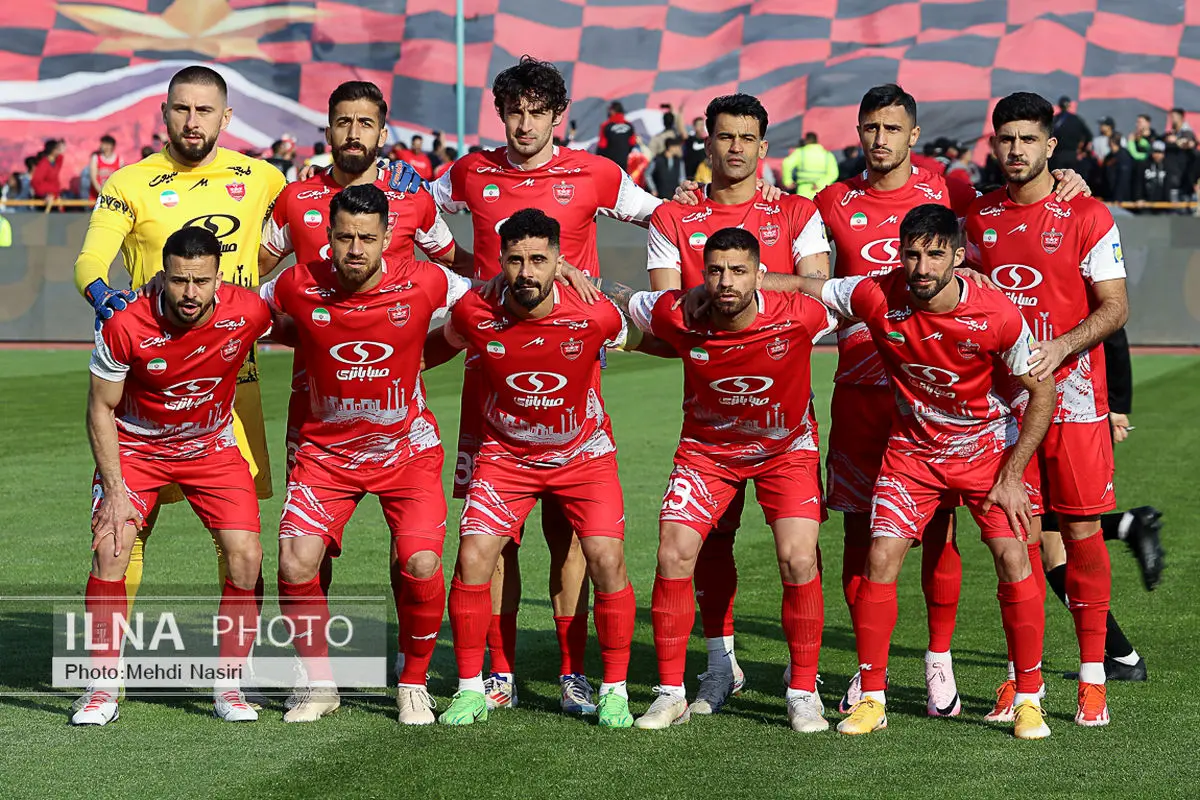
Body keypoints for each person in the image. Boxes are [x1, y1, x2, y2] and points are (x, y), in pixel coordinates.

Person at [757, 203, 1056, 739]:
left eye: (934, 255)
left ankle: (1029, 697)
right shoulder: (878, 294)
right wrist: (759, 277)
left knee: (1014, 556)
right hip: (913, 452)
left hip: (986, 448)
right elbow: (811, 287)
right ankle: (872, 697)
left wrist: (1011, 475)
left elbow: (1042, 391)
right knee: (881, 555)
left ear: (958, 258)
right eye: (912, 254)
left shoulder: (999, 314)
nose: (921, 268)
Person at [429, 55, 662, 715]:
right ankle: (497, 673)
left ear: (558, 115)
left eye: (537, 112)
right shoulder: (472, 170)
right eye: (514, 112)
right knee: (493, 538)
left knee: (574, 535)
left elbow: (667, 220)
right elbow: (411, 208)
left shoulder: (594, 173)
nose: (525, 125)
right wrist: (458, 279)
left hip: (568, 365)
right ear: (501, 114)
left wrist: (643, 289)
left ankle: (572, 670)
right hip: (488, 374)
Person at [71, 66, 287, 698]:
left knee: (242, 544)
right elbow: (90, 258)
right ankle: (103, 681)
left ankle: (233, 681)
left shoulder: (264, 177)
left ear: (226, 119)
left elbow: (317, 218)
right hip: (147, 381)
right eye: (181, 110)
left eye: (205, 111)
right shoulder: (130, 182)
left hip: (232, 389)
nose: (193, 122)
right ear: (164, 114)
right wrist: (108, 301)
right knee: (122, 534)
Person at [259, 80, 471, 697]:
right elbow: (255, 279)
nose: (353, 134)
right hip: (317, 413)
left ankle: (412, 675)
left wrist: (412, 358)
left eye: (365, 124)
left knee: (413, 555)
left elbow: (458, 274)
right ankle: (315, 677)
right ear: (328, 129)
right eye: (342, 122)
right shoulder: (295, 201)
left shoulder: (413, 202)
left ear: (383, 131)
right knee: (305, 554)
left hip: (395, 408)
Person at [599, 227, 836, 731]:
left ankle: (802, 691)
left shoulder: (801, 315)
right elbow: (617, 298)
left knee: (797, 557)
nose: (725, 282)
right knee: (674, 551)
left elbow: (864, 298)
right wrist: (571, 273)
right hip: (708, 453)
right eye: (715, 271)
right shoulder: (677, 311)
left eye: (738, 271)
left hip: (785, 450)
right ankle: (669, 693)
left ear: (759, 275)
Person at [646, 92, 830, 715]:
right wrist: (725, 290)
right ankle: (717, 667)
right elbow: (673, 311)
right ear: (708, 140)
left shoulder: (796, 212)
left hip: (785, 426)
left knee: (797, 554)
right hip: (711, 427)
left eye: (747, 138)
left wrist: (745, 281)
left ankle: (803, 689)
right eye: (724, 137)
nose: (735, 149)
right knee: (699, 547)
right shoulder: (673, 216)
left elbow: (820, 290)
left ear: (762, 145)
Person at [965, 91, 1131, 727]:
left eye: (1027, 139)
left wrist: (1059, 345)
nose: (1015, 150)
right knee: (1019, 541)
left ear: (1050, 146)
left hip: (1078, 400)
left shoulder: (1088, 213)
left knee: (1083, 534)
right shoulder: (975, 219)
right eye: (1005, 139)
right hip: (1005, 408)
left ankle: (1093, 679)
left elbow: (1114, 307)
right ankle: (1019, 677)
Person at [435, 209, 637, 728]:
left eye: (539, 260)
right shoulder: (475, 311)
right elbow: (435, 347)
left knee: (604, 557)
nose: (527, 271)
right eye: (516, 260)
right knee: (475, 554)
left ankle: (607, 688)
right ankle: (474, 686)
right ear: (500, 261)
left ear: (558, 263)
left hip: (581, 455)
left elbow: (645, 331)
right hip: (506, 456)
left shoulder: (595, 313)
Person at [72, 226, 275, 726]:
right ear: (162, 275)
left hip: (210, 445)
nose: (190, 293)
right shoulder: (124, 324)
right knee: (111, 546)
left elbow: (310, 324)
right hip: (138, 446)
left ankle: (230, 685)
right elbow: (100, 409)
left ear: (218, 277)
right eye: (180, 280)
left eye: (201, 281)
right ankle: (100, 689)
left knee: (246, 556)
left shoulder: (248, 311)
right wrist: (116, 492)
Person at [781, 132, 837, 198]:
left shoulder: (800, 152)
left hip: (803, 189)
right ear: (817, 141)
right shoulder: (828, 155)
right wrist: (820, 183)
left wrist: (788, 182)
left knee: (803, 207)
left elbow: (787, 163)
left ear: (806, 140)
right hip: (822, 190)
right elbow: (833, 174)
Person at [1051, 96, 1092, 172]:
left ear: (1059, 106)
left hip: (1058, 155)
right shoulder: (1076, 119)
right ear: (1069, 105)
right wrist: (1082, 151)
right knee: (1072, 179)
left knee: (1058, 179)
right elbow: (1089, 135)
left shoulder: (1055, 119)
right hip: (1073, 155)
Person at [596, 101, 638, 167]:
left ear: (613, 111)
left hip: (610, 164)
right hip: (624, 162)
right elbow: (632, 143)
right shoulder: (629, 125)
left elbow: (602, 146)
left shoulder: (605, 126)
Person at [88, 135, 123, 200]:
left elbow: (120, 180)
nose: (101, 145)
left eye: (103, 143)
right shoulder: (96, 158)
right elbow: (93, 179)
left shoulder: (119, 160)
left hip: (113, 197)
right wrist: (102, 193)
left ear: (110, 146)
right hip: (97, 197)